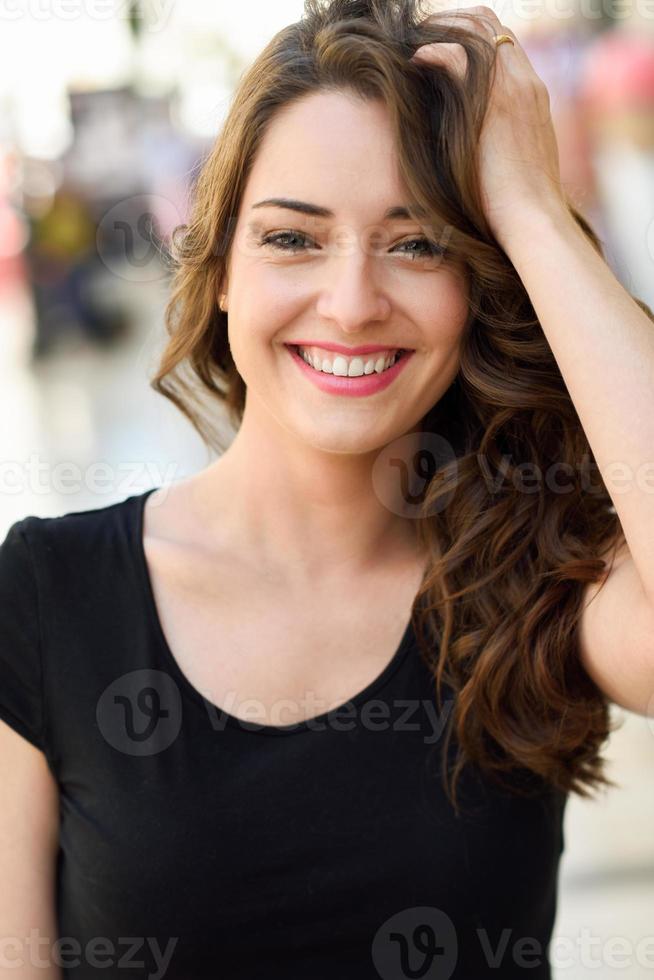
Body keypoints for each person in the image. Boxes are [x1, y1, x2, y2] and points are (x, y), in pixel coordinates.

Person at [2, 1, 653, 977]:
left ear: (481, 282)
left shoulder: (537, 582)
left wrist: (528, 206)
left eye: (419, 242)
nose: (351, 303)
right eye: (294, 239)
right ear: (220, 267)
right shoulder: (49, 590)